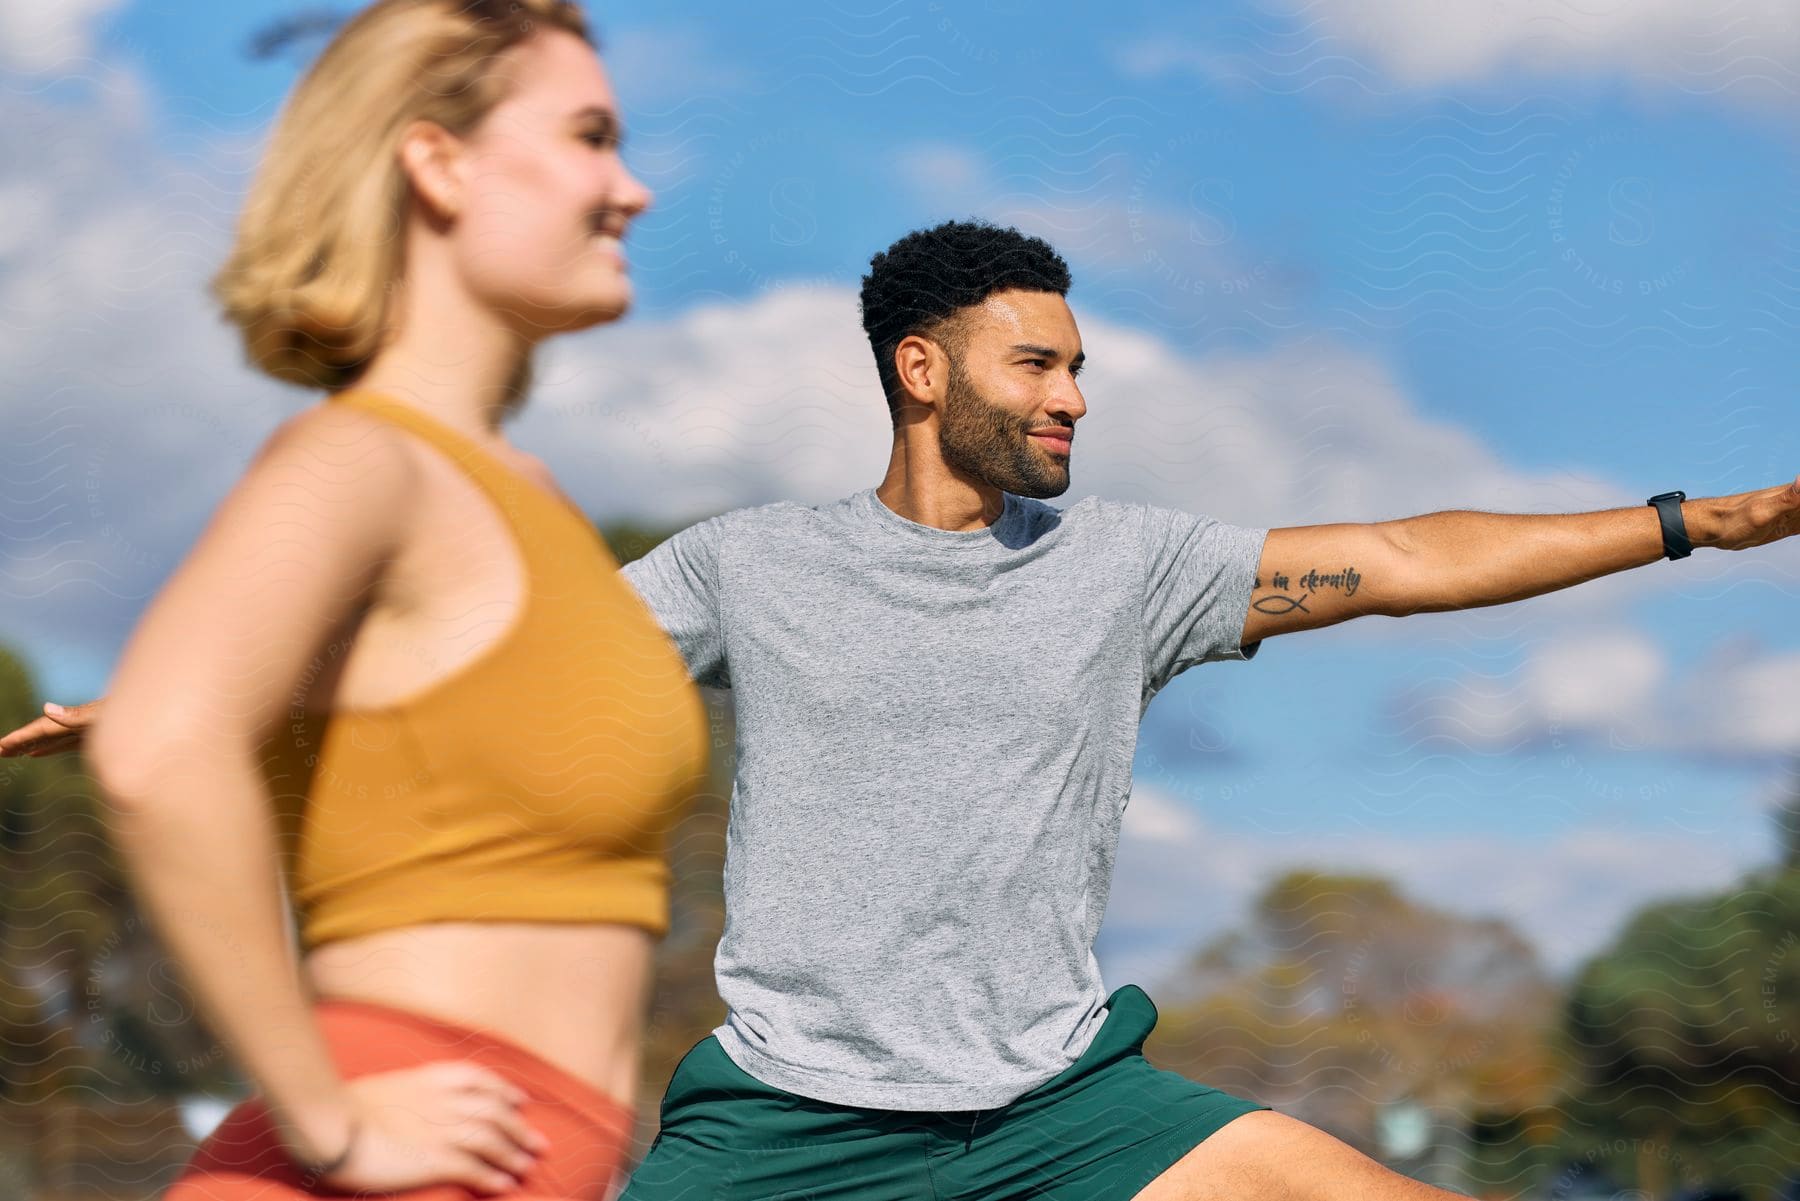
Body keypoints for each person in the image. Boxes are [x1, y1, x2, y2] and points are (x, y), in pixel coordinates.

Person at [14, 221, 1800, 1199]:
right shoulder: (745, 567)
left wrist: (1677, 526)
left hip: (1054, 1110)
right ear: (921, 368)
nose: (1076, 395)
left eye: (1084, 364)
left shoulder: (1138, 566)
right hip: (788, 1122)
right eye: (1042, 360)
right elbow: (492, 687)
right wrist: (221, 693)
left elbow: (1403, 553)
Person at [5, 2, 707, 1198]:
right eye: (590, 136)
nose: (631, 188)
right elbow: (170, 750)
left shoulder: (520, 495)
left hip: (537, 1154)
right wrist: (330, 1123)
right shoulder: (363, 461)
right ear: (436, 162)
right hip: (391, 1151)